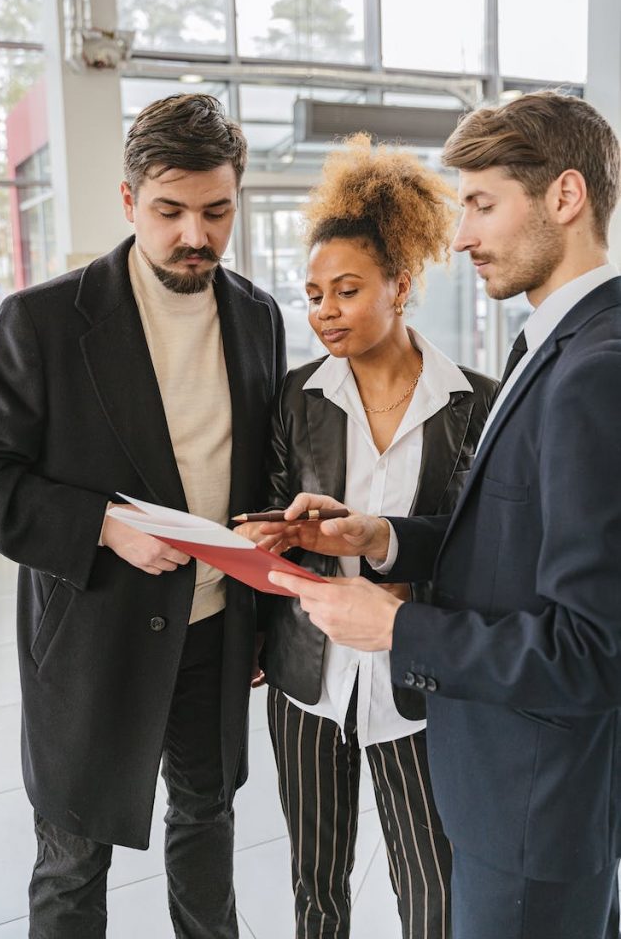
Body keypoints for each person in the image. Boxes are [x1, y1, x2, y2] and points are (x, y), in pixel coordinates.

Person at [267, 91, 621, 939]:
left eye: (481, 204)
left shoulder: (593, 371)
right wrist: (383, 537)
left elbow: (594, 649)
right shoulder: (551, 345)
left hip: (530, 804)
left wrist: (395, 630)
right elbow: (511, 539)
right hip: (512, 791)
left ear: (564, 197)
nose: (461, 235)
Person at [0, 93, 286, 939]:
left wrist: (263, 609)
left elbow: (258, 468)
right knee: (72, 853)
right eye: (169, 212)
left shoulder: (257, 315)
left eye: (215, 211)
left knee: (207, 822)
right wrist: (101, 524)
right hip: (92, 632)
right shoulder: (44, 321)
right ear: (129, 202)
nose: (194, 235)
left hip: (213, 629)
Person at [241, 135, 495, 939]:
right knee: (316, 880)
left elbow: (479, 545)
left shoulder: (473, 406)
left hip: (415, 682)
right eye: (312, 295)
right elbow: (273, 510)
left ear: (401, 284)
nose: (323, 313)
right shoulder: (293, 398)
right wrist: (272, 535)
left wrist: (407, 583)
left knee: (434, 883)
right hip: (307, 677)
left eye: (345, 291)